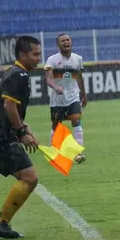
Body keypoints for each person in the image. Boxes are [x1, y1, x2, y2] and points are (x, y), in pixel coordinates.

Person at [0, 36, 42, 240]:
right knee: (30, 178)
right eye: (35, 54)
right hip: (0, 137)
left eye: (39, 54)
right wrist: (22, 132)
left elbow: (11, 107)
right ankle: (0, 223)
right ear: (22, 55)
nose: (38, 58)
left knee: (29, 178)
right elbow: (9, 106)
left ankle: (1, 223)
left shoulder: (16, 73)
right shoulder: (20, 75)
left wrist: (23, 127)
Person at [44, 33, 87, 163]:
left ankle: (77, 153)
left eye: (67, 40)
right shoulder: (52, 60)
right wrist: (55, 87)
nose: (66, 42)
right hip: (57, 99)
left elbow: (79, 77)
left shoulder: (78, 59)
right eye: (62, 41)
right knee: (56, 126)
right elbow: (48, 79)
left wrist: (84, 94)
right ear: (58, 44)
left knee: (76, 120)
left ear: (71, 42)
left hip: (73, 96)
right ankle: (54, 151)